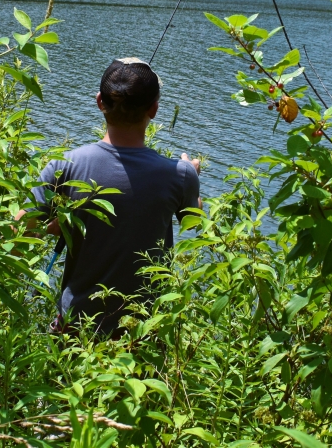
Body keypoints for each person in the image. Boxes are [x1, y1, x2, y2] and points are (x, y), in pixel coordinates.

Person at [17, 57, 201, 335]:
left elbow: (17, 238)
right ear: (154, 109)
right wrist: (193, 177)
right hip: (142, 333)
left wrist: (56, 225)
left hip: (77, 331)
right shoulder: (180, 175)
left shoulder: (63, 166)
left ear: (99, 102)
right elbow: (194, 222)